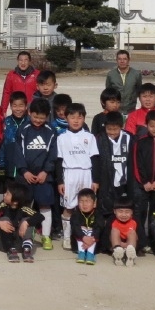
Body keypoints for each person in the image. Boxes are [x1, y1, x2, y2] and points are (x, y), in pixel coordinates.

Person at [6, 98, 58, 250]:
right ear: (29, 113)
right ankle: (23, 234)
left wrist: (45, 171)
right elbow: (18, 153)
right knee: (24, 205)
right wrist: (24, 171)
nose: (38, 120)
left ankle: (46, 236)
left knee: (45, 205)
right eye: (35, 117)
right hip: (25, 176)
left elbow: (53, 154)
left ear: (47, 116)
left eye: (42, 118)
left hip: (43, 176)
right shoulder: (23, 130)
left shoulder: (51, 131)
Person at [55, 103, 98, 248]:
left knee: (86, 206)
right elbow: (59, 161)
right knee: (69, 207)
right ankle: (67, 237)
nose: (76, 120)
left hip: (86, 173)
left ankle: (84, 237)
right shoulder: (61, 138)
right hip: (70, 174)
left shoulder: (89, 137)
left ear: (84, 118)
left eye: (79, 117)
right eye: (72, 117)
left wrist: (96, 180)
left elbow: (95, 159)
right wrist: (60, 181)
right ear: (66, 118)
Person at [93, 111, 132, 249]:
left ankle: (125, 241)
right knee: (105, 212)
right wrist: (96, 180)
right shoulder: (99, 139)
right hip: (105, 182)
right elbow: (96, 161)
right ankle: (106, 242)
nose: (112, 132)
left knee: (121, 212)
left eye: (115, 129)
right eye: (109, 129)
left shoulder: (129, 138)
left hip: (123, 183)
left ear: (122, 126)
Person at [0, 181, 38, 262]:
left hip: (20, 244)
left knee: (28, 220)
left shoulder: (24, 208)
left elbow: (39, 217)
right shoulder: (2, 206)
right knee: (4, 219)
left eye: (7, 193)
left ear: (15, 201)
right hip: (4, 244)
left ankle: (27, 249)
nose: (4, 194)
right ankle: (11, 250)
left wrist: (26, 223)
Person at [70, 188, 102, 264]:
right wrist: (83, 237)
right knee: (81, 229)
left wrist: (91, 240)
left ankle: (90, 254)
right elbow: (75, 228)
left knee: (92, 230)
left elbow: (99, 228)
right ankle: (81, 253)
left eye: (87, 201)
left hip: (94, 242)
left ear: (94, 203)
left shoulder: (98, 214)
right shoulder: (75, 214)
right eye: (81, 201)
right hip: (79, 242)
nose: (84, 204)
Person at [109, 196, 138, 267]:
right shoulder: (111, 220)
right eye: (120, 211)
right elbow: (105, 236)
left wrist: (129, 245)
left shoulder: (135, 221)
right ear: (115, 211)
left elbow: (142, 237)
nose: (124, 215)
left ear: (132, 212)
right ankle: (118, 254)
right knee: (114, 231)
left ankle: (130, 257)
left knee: (132, 232)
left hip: (130, 244)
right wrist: (112, 246)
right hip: (117, 243)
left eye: (127, 212)